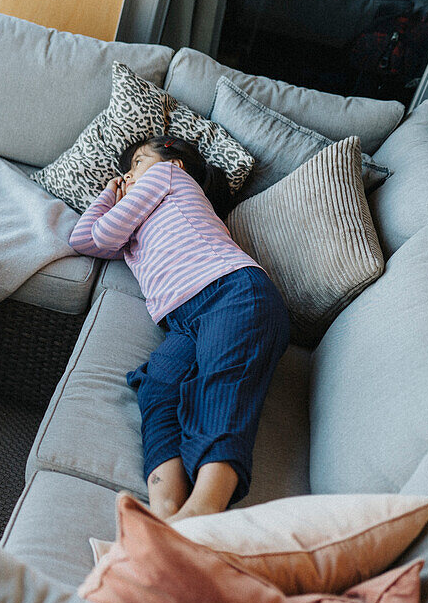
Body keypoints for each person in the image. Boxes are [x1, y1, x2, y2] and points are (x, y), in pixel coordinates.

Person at [69, 135, 289, 521]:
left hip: (232, 291)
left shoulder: (167, 175)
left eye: (138, 162)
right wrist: (109, 194)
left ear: (176, 162)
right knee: (158, 387)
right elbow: (83, 239)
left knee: (220, 391)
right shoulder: (140, 216)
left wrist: (116, 198)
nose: (128, 174)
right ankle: (166, 513)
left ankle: (199, 517)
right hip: (184, 321)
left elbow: (102, 235)